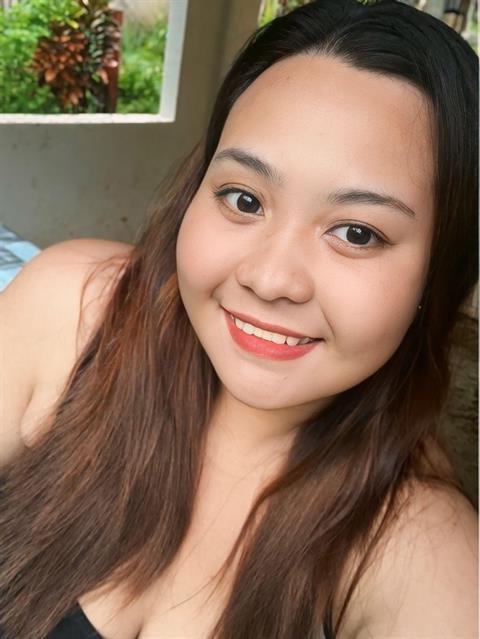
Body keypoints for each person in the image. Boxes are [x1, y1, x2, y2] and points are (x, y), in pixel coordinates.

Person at [0, 0, 477, 637]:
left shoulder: (424, 556)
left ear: (442, 271)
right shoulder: (73, 312)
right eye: (244, 199)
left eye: (358, 233)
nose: (269, 279)